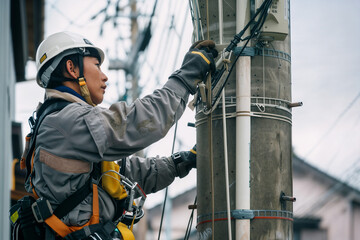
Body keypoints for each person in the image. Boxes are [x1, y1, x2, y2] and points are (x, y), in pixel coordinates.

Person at [16, 31, 217, 239]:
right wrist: (185, 78)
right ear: (71, 68)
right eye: (96, 65)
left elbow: (123, 174)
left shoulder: (61, 124)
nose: (104, 76)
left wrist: (178, 163)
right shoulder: (67, 122)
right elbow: (136, 123)